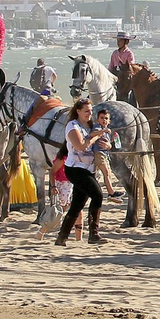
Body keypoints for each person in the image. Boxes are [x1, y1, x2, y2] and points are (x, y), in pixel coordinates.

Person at [52, 98, 106, 246]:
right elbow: (81, 146)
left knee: (77, 205)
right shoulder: (72, 126)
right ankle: (93, 234)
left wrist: (106, 144)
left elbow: (97, 145)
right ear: (78, 111)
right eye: (86, 111)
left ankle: (61, 237)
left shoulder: (90, 126)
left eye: (91, 111)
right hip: (75, 169)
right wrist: (96, 136)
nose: (90, 113)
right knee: (97, 195)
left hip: (88, 169)